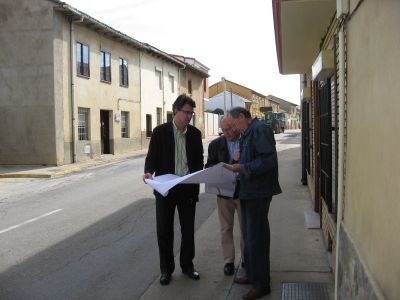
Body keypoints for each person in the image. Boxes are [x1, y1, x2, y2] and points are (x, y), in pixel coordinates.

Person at [143, 94, 204, 285]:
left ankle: (187, 266)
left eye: (191, 114)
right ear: (175, 111)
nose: (188, 117)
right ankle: (166, 270)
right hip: (166, 189)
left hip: (187, 188)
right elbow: (152, 156)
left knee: (187, 230)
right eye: (186, 112)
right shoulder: (160, 132)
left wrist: (197, 176)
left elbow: (199, 160)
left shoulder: (194, 134)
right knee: (164, 230)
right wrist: (148, 172)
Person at [224, 107, 282, 300]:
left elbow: (268, 160)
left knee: (257, 239)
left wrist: (243, 167)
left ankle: (261, 284)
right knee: (249, 237)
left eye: (233, 124)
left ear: (242, 117)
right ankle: (251, 275)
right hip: (249, 192)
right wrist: (237, 163)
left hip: (258, 193)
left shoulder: (259, 129)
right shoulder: (248, 132)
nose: (233, 129)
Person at [205, 116, 244, 276]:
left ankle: (246, 259)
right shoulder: (215, 144)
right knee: (225, 228)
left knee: (245, 229)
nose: (227, 133)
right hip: (224, 193)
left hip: (243, 192)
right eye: (223, 130)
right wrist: (224, 165)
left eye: (229, 129)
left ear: (236, 126)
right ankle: (228, 261)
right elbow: (209, 166)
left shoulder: (246, 141)